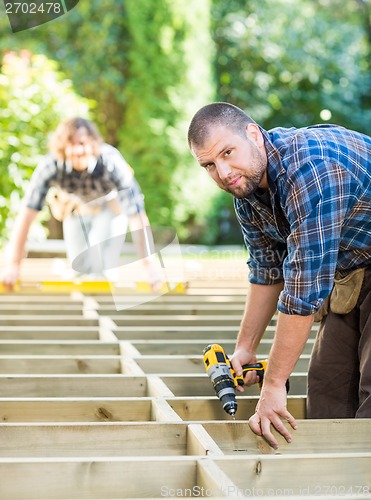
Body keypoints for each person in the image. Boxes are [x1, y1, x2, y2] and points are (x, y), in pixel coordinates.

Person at [188, 102, 371, 449]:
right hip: (354, 265)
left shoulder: (311, 171)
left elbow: (303, 290)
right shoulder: (246, 190)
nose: (224, 172)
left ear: (254, 135)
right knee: (327, 388)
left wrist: (273, 385)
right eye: (209, 165)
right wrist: (246, 348)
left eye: (228, 153)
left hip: (351, 262)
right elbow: (267, 270)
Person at [2, 117, 161, 290]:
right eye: (71, 144)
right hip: (75, 208)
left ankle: (105, 297)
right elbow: (27, 215)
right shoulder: (50, 166)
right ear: (62, 147)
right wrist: (13, 265)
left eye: (82, 143)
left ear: (93, 143)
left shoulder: (111, 162)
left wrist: (150, 267)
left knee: (100, 266)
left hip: (109, 207)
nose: (78, 150)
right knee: (79, 267)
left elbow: (136, 216)